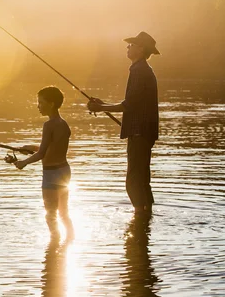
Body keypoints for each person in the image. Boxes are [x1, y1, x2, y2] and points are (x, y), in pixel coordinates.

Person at [87, 31, 160, 214]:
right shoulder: (144, 70)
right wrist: (103, 105)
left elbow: (128, 105)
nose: (127, 47)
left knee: (133, 181)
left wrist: (101, 108)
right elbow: (133, 104)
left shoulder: (139, 70)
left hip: (138, 133)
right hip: (144, 132)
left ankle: (139, 219)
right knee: (143, 179)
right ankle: (146, 220)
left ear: (141, 49)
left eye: (131, 45)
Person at [13, 86, 74, 239]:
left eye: (40, 102)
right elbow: (52, 149)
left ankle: (54, 243)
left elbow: (41, 154)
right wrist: (30, 147)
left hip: (51, 173)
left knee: (50, 214)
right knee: (63, 213)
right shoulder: (63, 124)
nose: (38, 106)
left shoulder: (48, 125)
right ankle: (70, 238)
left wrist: (23, 163)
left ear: (51, 104)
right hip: (64, 171)